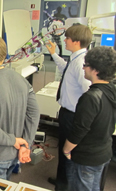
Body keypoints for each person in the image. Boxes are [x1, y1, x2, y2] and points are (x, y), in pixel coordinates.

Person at [0, 35, 40, 180]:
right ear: (4, 55)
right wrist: (25, 144)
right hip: (15, 154)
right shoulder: (21, 80)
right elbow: (34, 114)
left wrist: (14, 141)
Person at [46, 24, 92, 191]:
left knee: (68, 152)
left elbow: (89, 92)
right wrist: (54, 54)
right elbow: (65, 69)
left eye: (67, 38)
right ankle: (61, 180)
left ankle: (65, 186)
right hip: (68, 113)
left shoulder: (81, 63)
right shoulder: (75, 58)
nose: (64, 40)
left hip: (73, 116)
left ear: (77, 41)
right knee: (62, 150)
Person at [63, 46, 116, 191]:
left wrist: (66, 150)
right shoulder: (112, 90)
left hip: (86, 157)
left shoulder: (90, 98)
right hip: (104, 152)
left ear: (96, 70)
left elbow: (79, 130)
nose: (83, 68)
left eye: (86, 65)